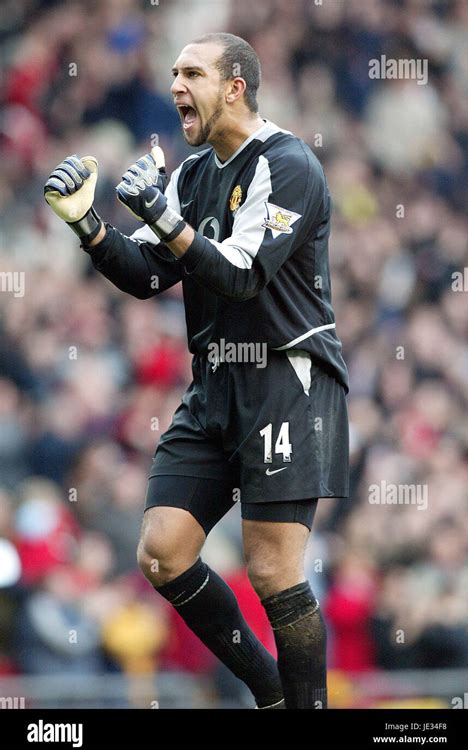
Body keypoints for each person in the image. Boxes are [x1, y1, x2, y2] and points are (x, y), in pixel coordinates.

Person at [44, 32, 349, 709]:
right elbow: (151, 272)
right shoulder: (190, 173)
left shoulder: (289, 162)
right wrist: (89, 226)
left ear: (235, 86)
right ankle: (273, 694)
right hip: (213, 384)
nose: (175, 84)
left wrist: (158, 213)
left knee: (272, 571)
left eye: (192, 73)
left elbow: (243, 274)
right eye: (174, 72)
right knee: (162, 552)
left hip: (284, 379)